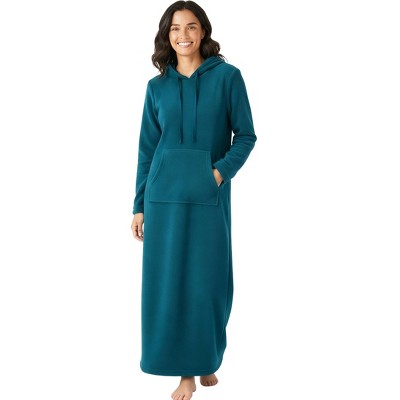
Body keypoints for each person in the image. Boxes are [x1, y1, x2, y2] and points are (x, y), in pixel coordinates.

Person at [130, 1, 256, 399]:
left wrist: (217, 173)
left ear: (203, 31)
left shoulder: (228, 78)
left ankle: (205, 358)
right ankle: (185, 372)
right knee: (170, 284)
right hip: (163, 201)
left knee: (208, 283)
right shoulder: (157, 87)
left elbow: (246, 135)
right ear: (166, 36)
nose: (182, 35)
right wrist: (138, 204)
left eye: (190, 27)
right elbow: (147, 150)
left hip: (207, 199)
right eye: (174, 29)